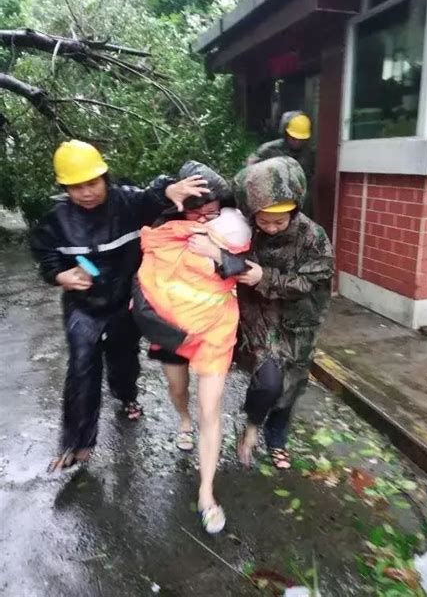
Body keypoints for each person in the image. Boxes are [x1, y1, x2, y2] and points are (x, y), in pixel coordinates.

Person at [30, 140, 208, 471]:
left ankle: (126, 397)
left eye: (92, 183)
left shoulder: (127, 201)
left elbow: (153, 194)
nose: (86, 192)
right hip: (83, 305)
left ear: (105, 178)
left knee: (123, 359)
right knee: (82, 366)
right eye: (75, 187)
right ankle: (77, 442)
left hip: (124, 302)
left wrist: (171, 188)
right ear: (64, 188)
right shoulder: (56, 218)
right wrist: (61, 275)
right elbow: (44, 253)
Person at [133, 161, 249, 534]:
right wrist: (166, 191)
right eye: (198, 211)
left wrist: (215, 254)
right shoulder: (161, 219)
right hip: (169, 328)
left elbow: (248, 265)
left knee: (210, 409)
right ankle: (182, 420)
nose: (206, 219)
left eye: (212, 212)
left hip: (214, 327)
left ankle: (206, 494)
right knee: (177, 389)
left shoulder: (231, 227)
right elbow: (131, 204)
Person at [233, 156, 334, 470]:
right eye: (265, 221)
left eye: (280, 221)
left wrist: (264, 277)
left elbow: (311, 282)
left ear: (295, 209)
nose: (272, 227)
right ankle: (251, 427)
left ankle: (276, 439)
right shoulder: (245, 228)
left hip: (296, 321)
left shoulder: (312, 237)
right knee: (269, 381)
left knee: (290, 385)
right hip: (258, 318)